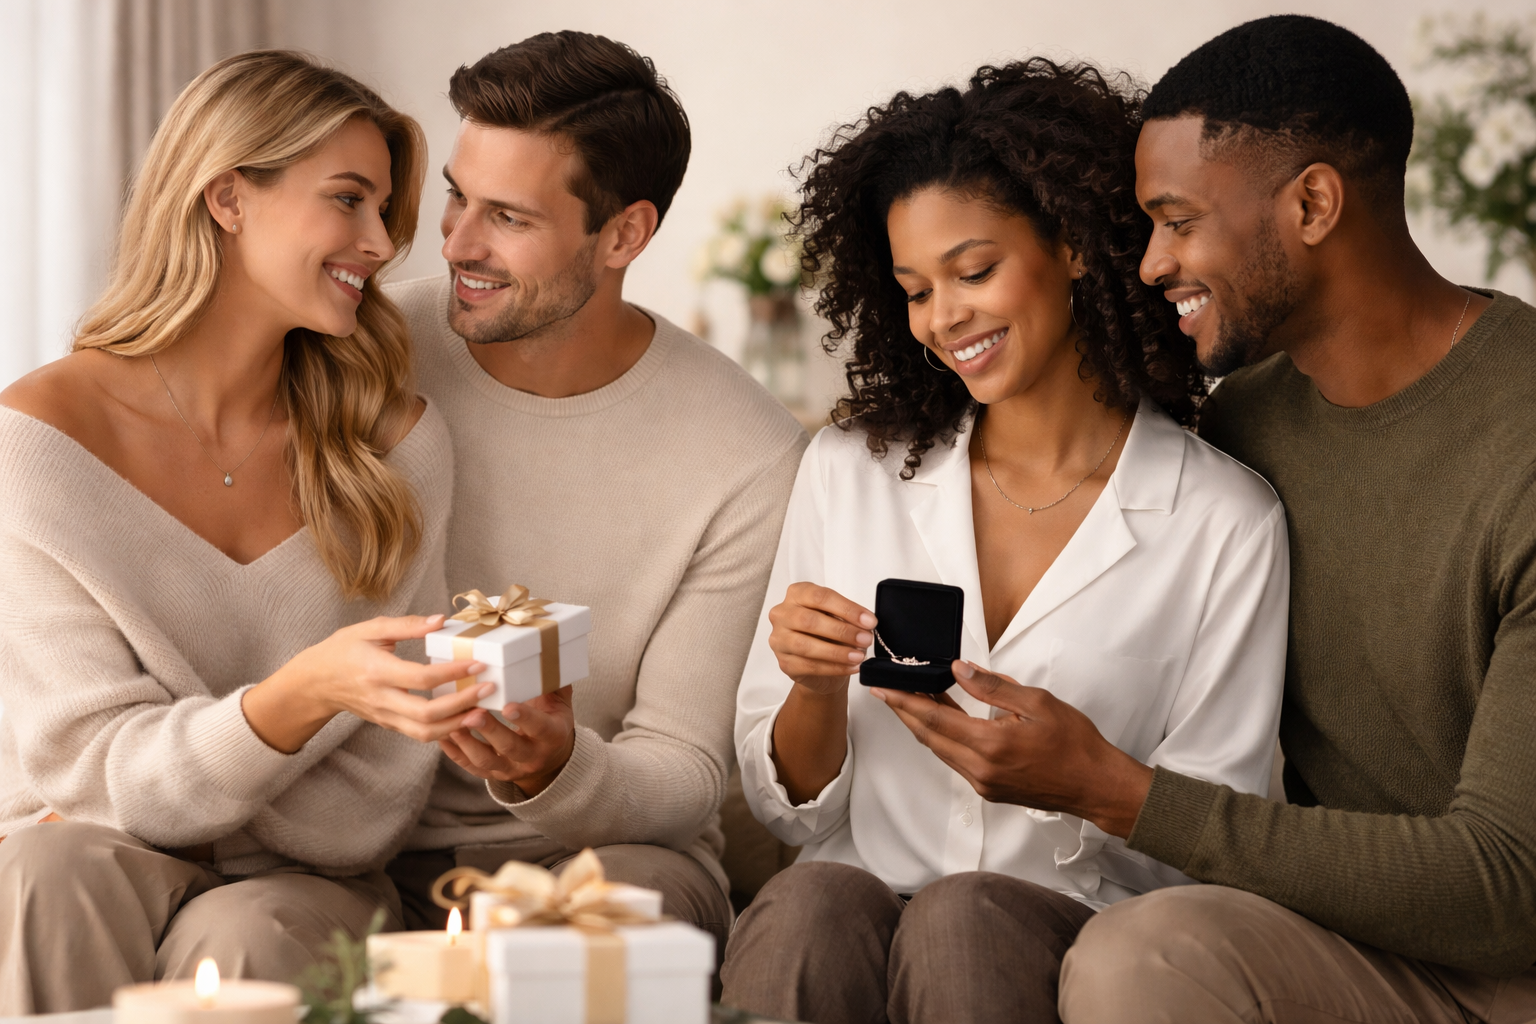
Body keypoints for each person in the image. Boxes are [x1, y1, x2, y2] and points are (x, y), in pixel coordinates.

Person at [868, 18, 1536, 1024]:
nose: (1148, 264)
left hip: (1509, 966)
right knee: (1095, 938)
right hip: (1333, 942)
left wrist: (1114, 789)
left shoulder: (1517, 445)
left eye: (1177, 222)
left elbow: (1507, 886)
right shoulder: (1249, 423)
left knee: (1134, 958)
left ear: (1313, 204)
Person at [720, 60, 1290, 1024]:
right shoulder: (850, 470)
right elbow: (790, 808)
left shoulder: (1223, 523)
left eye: (974, 272)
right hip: (848, 917)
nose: (944, 318)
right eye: (914, 289)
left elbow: (1211, 842)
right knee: (807, 900)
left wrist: (1081, 782)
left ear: (1071, 245)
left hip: (1072, 934)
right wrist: (813, 688)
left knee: (964, 918)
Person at [0, 52, 488, 1014]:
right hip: (96, 849)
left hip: (307, 883)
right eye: (347, 200)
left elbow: (375, 797)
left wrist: (203, 789)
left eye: (383, 210)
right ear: (227, 198)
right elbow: (87, 772)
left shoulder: (394, 448)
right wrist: (300, 698)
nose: (379, 244)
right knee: (44, 877)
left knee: (247, 933)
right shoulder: (41, 444)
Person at [381, 32, 807, 956]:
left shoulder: (745, 449)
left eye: (508, 217)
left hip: (605, 853)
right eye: (457, 196)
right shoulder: (369, 351)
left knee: (599, 937)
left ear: (624, 234)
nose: (456, 242)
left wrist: (557, 767)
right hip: (358, 847)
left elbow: (684, 767)